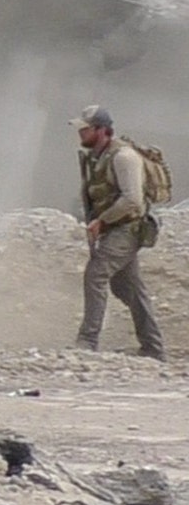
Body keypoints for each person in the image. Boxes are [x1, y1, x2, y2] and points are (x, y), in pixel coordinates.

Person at [72, 105, 165, 360]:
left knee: (96, 275)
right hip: (114, 228)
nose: (81, 133)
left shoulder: (124, 157)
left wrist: (102, 220)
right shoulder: (96, 157)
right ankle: (154, 348)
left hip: (128, 228)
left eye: (86, 129)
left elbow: (132, 200)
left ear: (102, 130)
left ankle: (87, 341)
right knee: (129, 289)